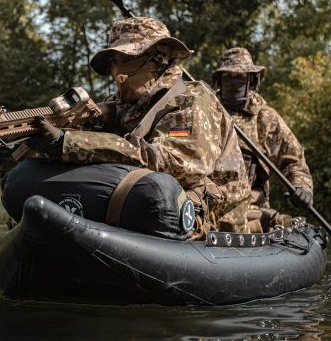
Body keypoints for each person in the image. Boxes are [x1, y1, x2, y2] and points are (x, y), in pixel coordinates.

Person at [26, 17, 251, 235]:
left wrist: (70, 142)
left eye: (127, 58)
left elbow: (177, 164)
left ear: (159, 59)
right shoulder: (117, 105)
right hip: (144, 211)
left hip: (214, 225)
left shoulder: (192, 100)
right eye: (113, 61)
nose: (118, 70)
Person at [212, 47, 313, 233]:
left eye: (239, 77)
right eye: (228, 77)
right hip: (207, 207)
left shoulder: (265, 118)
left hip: (250, 211)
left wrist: (302, 187)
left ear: (251, 81)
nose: (233, 83)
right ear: (219, 80)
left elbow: (294, 160)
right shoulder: (204, 112)